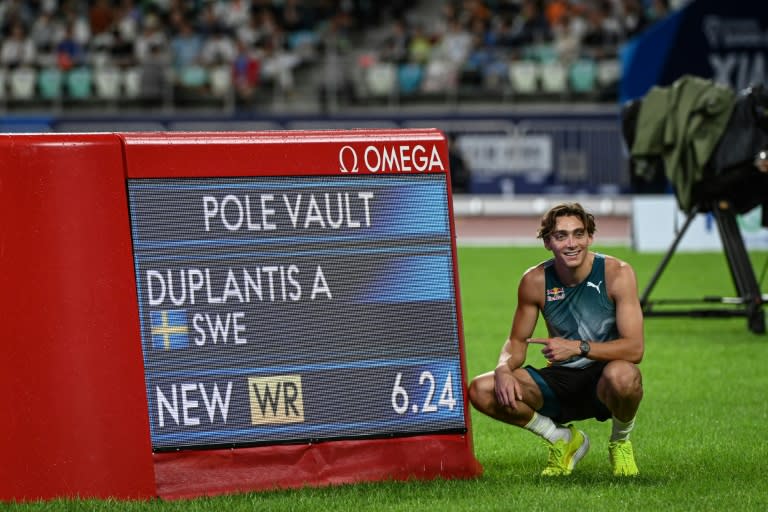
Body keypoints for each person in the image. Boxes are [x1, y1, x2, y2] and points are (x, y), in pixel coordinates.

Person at [468, 202, 644, 477]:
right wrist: (503, 367)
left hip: (604, 377)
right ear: (548, 242)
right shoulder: (535, 281)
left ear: (590, 237)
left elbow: (635, 348)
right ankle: (562, 439)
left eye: (578, 234)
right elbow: (517, 341)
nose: (571, 243)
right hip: (560, 379)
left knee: (625, 375)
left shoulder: (618, 273)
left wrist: (577, 347)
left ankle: (620, 442)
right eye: (561, 236)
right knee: (482, 389)